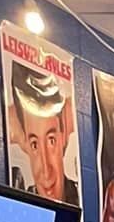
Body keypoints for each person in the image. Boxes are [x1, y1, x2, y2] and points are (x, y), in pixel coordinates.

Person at [9, 65, 78, 207]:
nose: (46, 172)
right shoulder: (23, 210)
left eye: (51, 140)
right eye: (34, 144)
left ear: (63, 135)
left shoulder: (82, 204)